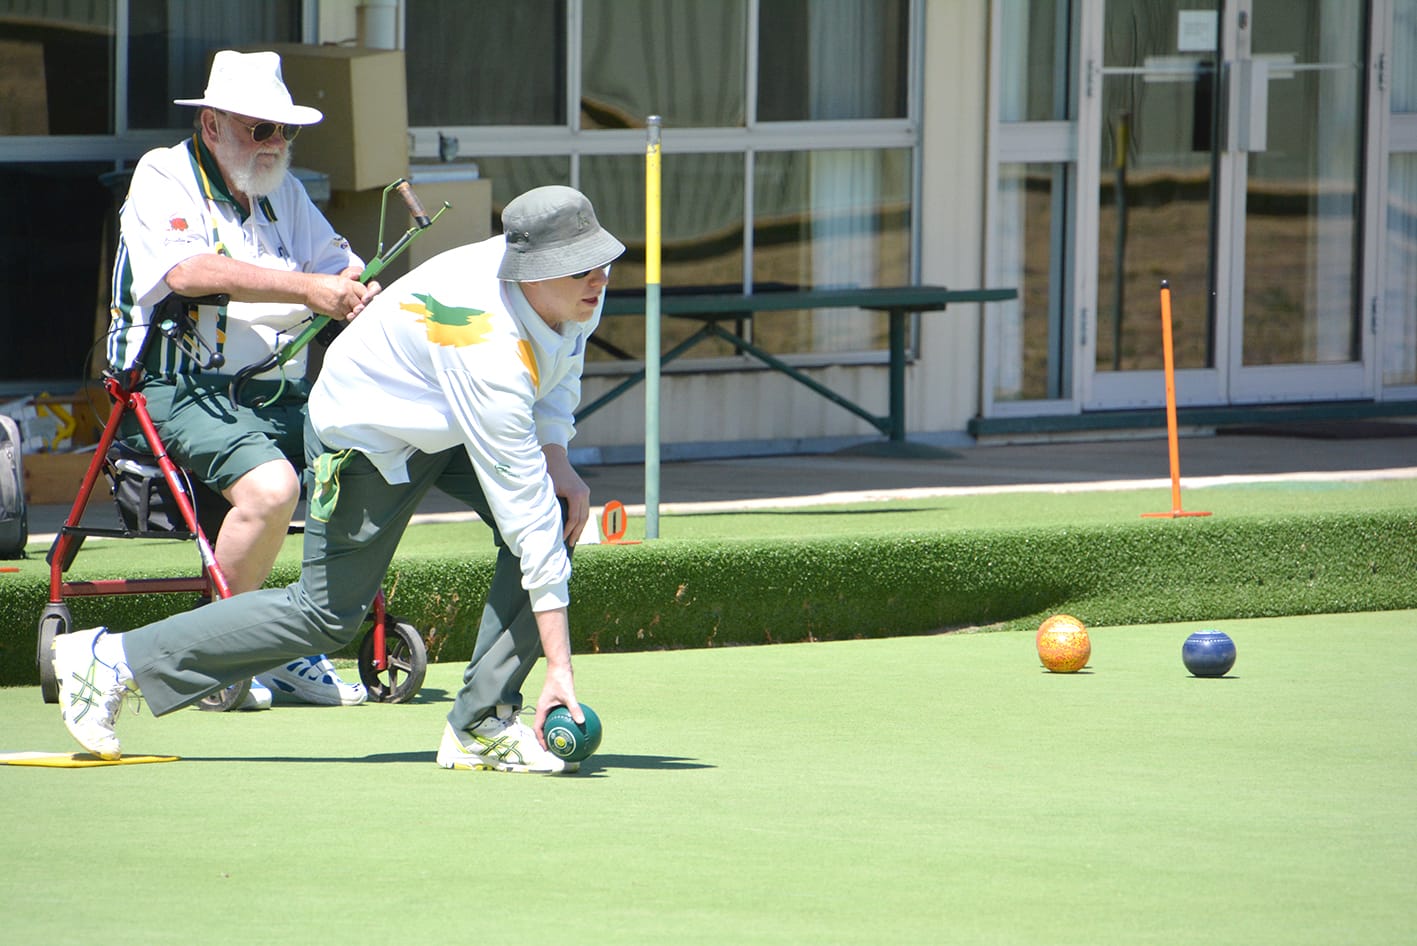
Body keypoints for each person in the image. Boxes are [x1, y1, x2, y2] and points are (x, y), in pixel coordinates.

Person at [54, 183, 625, 774]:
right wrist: (561, 667)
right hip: (365, 430)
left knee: (557, 507)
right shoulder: (484, 343)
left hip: (444, 417)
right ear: (528, 268)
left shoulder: (575, 291)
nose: (597, 278)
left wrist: (557, 455)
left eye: (599, 261)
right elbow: (524, 514)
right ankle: (111, 659)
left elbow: (560, 371)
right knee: (327, 615)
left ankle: (482, 724)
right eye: (578, 267)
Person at [106, 50, 380, 708]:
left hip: (277, 389)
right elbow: (188, 274)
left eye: (286, 130)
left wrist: (353, 287)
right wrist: (310, 288)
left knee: (372, 468)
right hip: (176, 384)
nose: (277, 143)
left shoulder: (281, 186)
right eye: (261, 128)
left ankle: (287, 638)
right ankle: (219, 650)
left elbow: (339, 264)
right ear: (211, 125)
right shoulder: (163, 174)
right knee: (273, 487)